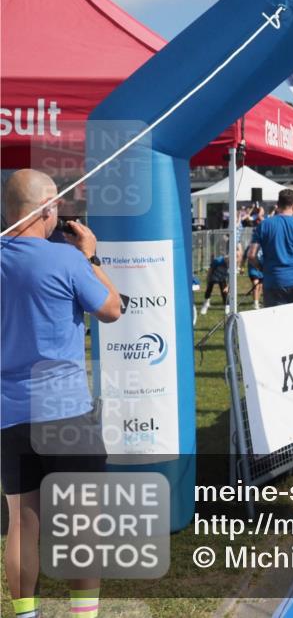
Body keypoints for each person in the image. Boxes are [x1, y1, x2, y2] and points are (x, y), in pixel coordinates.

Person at [1, 170, 123, 618]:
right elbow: (112, 309)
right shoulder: (66, 260)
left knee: (21, 523)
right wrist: (90, 257)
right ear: (46, 208)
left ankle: (26, 614)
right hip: (66, 410)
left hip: (10, 412)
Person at [246, 189, 293, 307]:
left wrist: (261, 268)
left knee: (274, 321)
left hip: (274, 278)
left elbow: (251, 255)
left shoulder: (264, 224)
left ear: (278, 204)